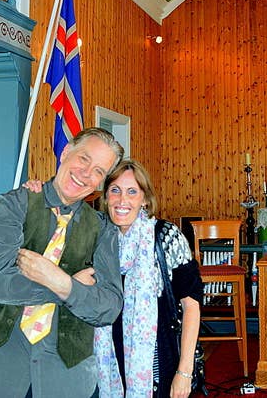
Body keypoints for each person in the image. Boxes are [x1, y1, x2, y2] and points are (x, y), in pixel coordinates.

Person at [0, 127, 125, 398]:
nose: (86, 174)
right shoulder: (16, 204)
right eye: (84, 159)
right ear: (66, 152)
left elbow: (109, 307)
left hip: (68, 378)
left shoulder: (103, 230)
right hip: (2, 371)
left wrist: (60, 282)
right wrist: (63, 287)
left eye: (98, 171)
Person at [27, 159, 203, 397]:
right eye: (115, 191)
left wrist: (184, 372)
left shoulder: (166, 236)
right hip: (104, 361)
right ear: (106, 197)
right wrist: (35, 194)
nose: (122, 200)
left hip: (156, 363)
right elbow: (55, 221)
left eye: (132, 192)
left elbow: (191, 305)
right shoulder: (95, 238)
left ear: (145, 199)